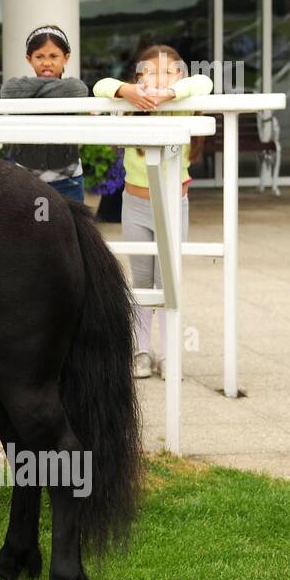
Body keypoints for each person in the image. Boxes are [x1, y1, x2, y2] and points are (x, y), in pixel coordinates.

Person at [93, 44, 212, 379]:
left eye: (169, 71)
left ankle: (170, 354)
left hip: (174, 204)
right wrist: (127, 90)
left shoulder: (183, 105)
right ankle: (141, 351)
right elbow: (99, 86)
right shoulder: (132, 105)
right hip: (136, 205)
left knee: (168, 280)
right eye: (150, 71)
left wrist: (169, 94)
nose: (159, 78)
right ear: (139, 76)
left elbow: (205, 83)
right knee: (142, 280)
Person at [0, 24, 90, 201]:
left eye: (53, 56)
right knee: (32, 228)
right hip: (27, 177)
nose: (47, 62)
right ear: (29, 59)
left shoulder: (73, 87)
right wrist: (50, 88)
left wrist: (33, 93)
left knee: (70, 227)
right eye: (39, 56)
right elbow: (8, 91)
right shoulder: (14, 86)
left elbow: (79, 90)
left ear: (66, 58)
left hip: (68, 179)